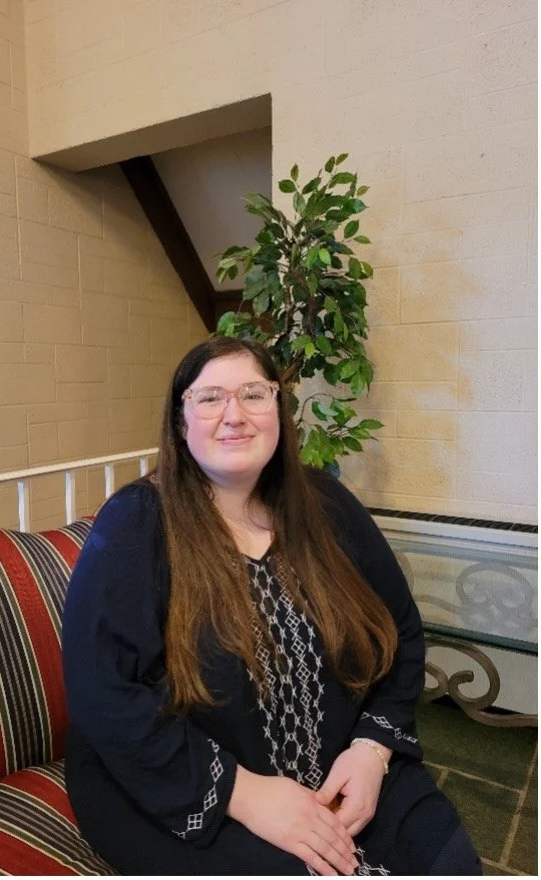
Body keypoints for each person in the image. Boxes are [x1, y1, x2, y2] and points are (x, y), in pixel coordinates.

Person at [62, 337, 481, 876]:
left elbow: (397, 628)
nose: (234, 414)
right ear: (181, 421)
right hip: (182, 784)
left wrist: (373, 749)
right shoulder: (137, 521)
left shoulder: (326, 504)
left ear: (278, 410)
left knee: (449, 862)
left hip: (343, 760)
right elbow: (101, 691)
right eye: (210, 398)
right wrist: (244, 794)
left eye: (254, 394)